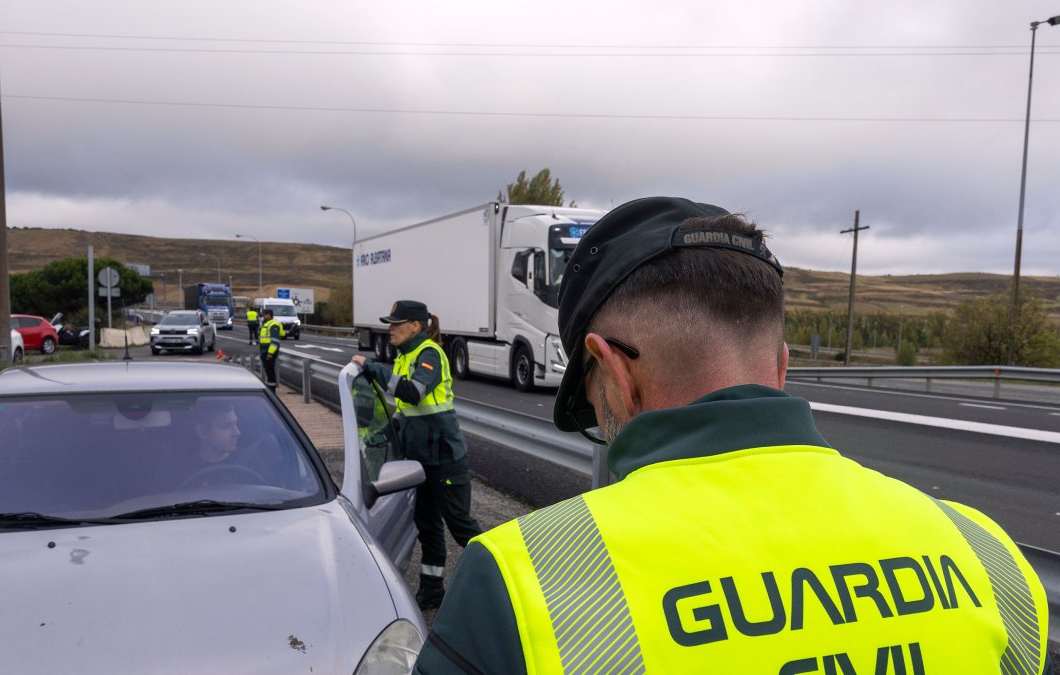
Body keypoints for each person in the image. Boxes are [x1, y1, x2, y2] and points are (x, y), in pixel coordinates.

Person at [414, 197, 1053, 673]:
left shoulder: (521, 586)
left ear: (613, 371)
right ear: (780, 364)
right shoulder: (984, 553)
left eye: (587, 404)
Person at [351, 300, 482, 610]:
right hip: (420, 459)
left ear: (416, 326)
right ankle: (432, 589)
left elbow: (413, 393)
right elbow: (408, 411)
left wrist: (370, 367)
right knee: (427, 525)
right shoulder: (405, 357)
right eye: (390, 323)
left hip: (444, 458)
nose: (390, 328)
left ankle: (511, 574)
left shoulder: (429, 354)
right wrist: (384, 434)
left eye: (397, 323)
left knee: (462, 526)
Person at [259, 308, 284, 388]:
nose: (263, 316)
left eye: (264, 315)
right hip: (264, 350)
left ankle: (272, 389)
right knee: (268, 370)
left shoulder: (273, 324)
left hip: (268, 351)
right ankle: (270, 387)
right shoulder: (267, 323)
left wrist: (270, 353)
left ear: (269, 315)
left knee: (270, 370)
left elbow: (275, 340)